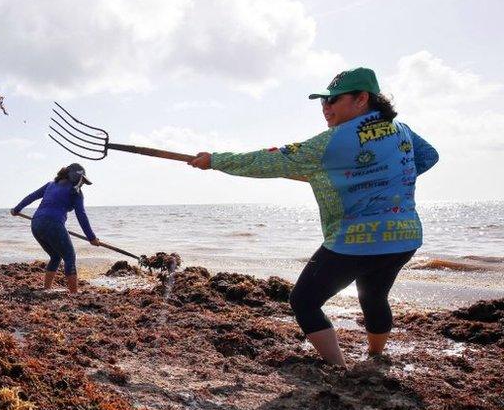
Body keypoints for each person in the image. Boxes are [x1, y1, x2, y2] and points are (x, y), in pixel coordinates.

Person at [186, 67, 439, 365]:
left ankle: (338, 367)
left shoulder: (331, 142)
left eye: (333, 100)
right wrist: (380, 178)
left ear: (361, 99)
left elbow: (268, 161)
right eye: (322, 102)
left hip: (355, 241)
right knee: (373, 295)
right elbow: (428, 156)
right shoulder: (402, 130)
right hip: (404, 238)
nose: (325, 108)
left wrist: (214, 161)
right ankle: (375, 357)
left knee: (303, 301)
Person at [11, 163, 100, 294]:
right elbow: (81, 215)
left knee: (55, 256)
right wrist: (91, 237)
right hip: (53, 224)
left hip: (36, 224)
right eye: (82, 181)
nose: (82, 185)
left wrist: (16, 209)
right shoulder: (75, 192)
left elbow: (31, 197)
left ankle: (46, 289)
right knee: (69, 257)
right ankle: (74, 294)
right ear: (75, 177)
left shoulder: (50, 185)